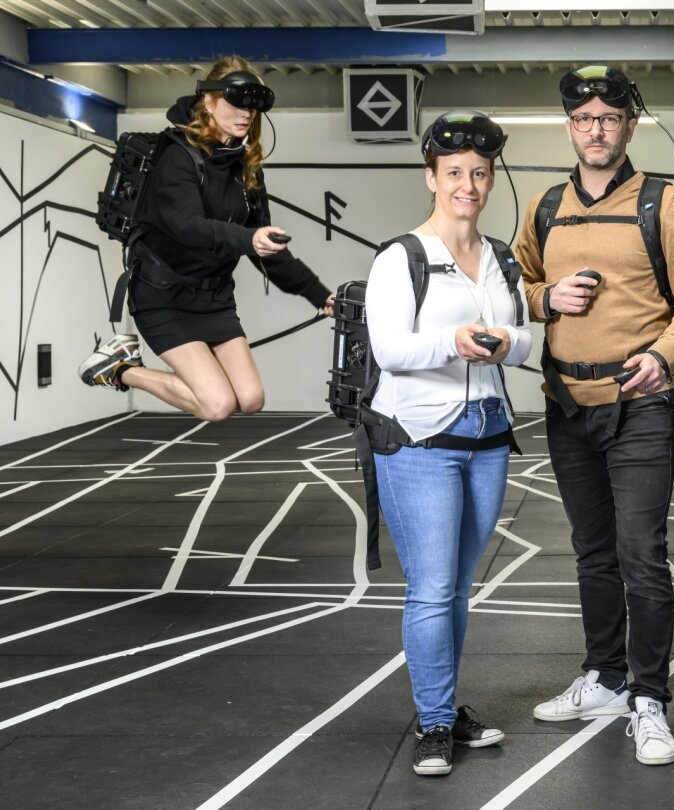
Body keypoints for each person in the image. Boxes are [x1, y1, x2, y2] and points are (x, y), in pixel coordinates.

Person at [515, 66, 674, 766]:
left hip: (641, 405)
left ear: (629, 124)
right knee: (592, 553)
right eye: (582, 119)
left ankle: (650, 699)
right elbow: (518, 283)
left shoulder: (666, 202)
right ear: (569, 126)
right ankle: (603, 677)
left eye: (608, 118)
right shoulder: (543, 205)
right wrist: (546, 301)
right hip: (566, 405)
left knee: (641, 556)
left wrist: (665, 354)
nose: (595, 130)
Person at [365, 111, 532, 776]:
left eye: (481, 173)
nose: (469, 184)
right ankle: (433, 723)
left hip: (489, 437)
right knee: (432, 589)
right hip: (419, 441)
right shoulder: (401, 257)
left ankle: (447, 706)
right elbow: (390, 350)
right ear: (431, 176)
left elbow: (525, 340)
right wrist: (456, 340)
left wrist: (501, 341)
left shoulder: (500, 259)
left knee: (458, 588)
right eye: (456, 172)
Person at [79, 56, 333, 420]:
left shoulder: (245, 169)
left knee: (250, 399)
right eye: (235, 101)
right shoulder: (177, 155)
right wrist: (248, 239)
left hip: (213, 298)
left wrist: (320, 296)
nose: (245, 113)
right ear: (209, 102)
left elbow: (266, 248)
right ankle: (121, 369)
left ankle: (127, 368)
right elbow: (187, 226)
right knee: (217, 405)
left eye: (251, 105)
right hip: (163, 294)